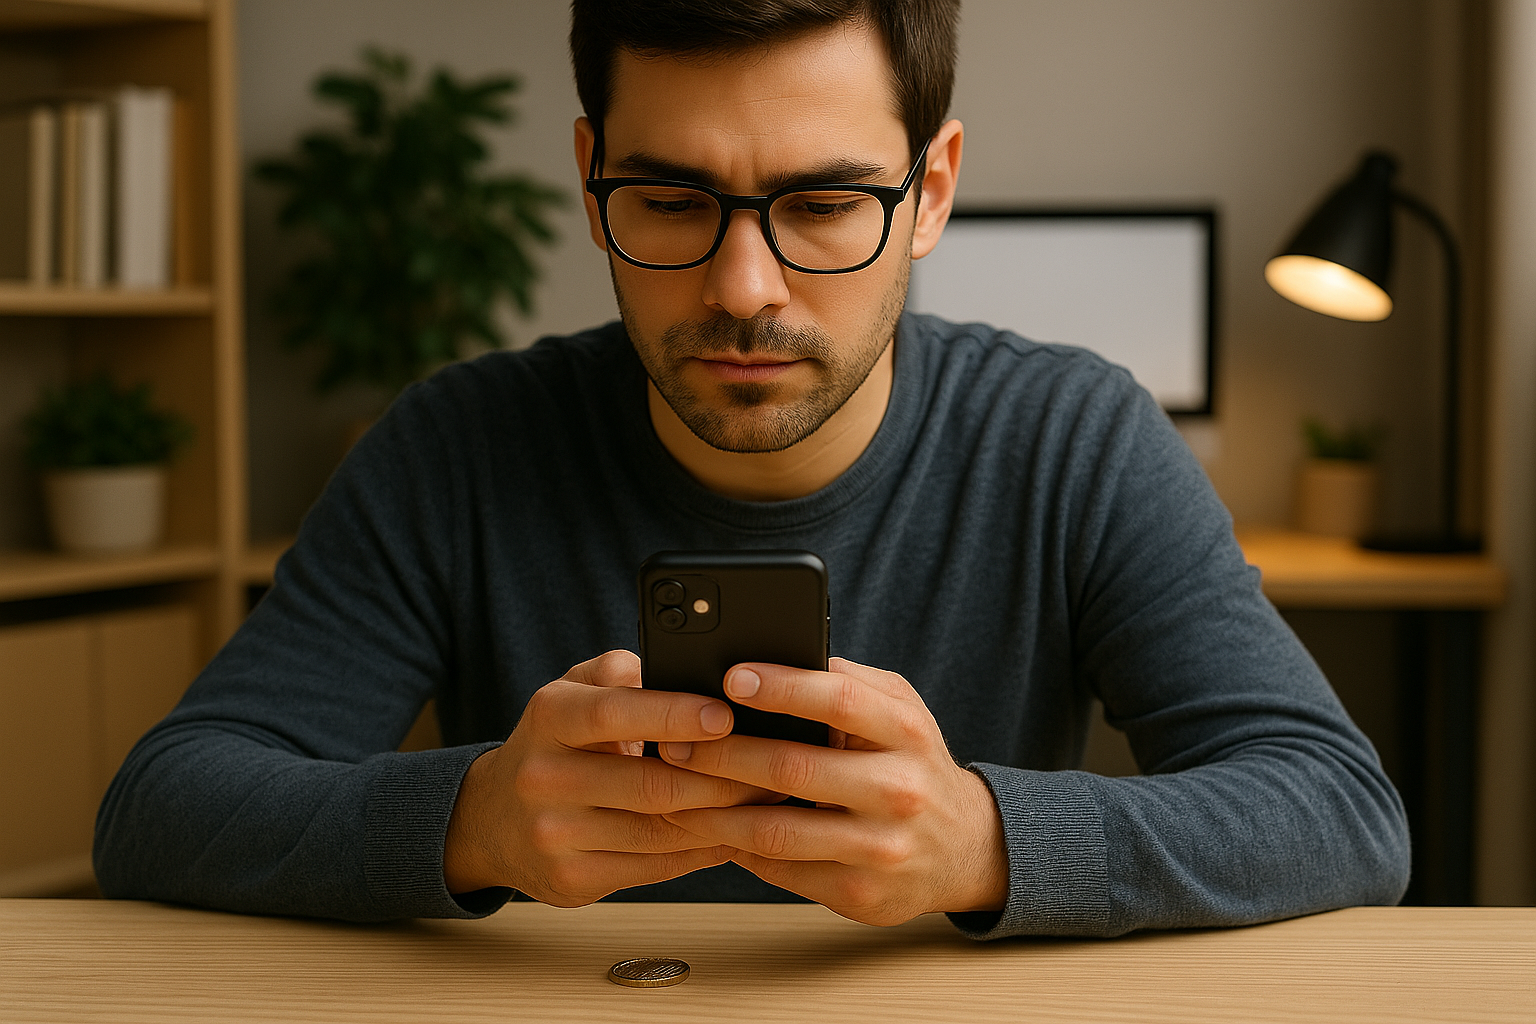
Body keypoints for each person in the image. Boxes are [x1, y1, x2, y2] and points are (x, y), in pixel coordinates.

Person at [94, 0, 1409, 939]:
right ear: (590, 176)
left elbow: (1340, 812)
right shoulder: (452, 444)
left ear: (933, 191)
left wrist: (983, 845)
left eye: (824, 205)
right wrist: (471, 823)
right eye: (670, 202)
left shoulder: (1072, 435)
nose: (744, 290)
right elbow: (162, 806)